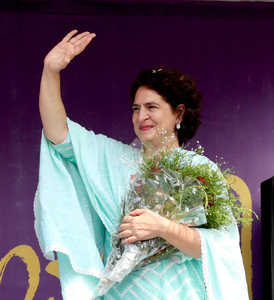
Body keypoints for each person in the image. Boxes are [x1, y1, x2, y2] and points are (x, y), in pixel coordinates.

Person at [35, 30, 249, 300]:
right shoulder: (112, 158)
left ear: (178, 113)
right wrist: (50, 71)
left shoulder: (201, 170)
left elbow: (218, 248)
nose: (141, 116)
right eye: (136, 108)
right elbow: (58, 134)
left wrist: (162, 227)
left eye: (151, 107)